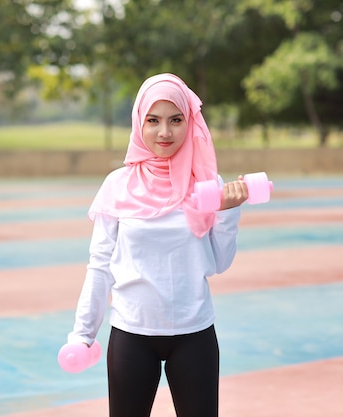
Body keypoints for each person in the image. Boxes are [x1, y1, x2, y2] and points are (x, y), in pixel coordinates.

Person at [66, 73, 249, 417]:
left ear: (190, 122)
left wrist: (227, 215)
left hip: (193, 332)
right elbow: (100, 265)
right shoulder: (117, 185)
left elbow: (219, 263)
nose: (164, 133)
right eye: (153, 121)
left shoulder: (208, 184)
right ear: (139, 122)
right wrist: (82, 334)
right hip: (132, 334)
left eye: (176, 120)